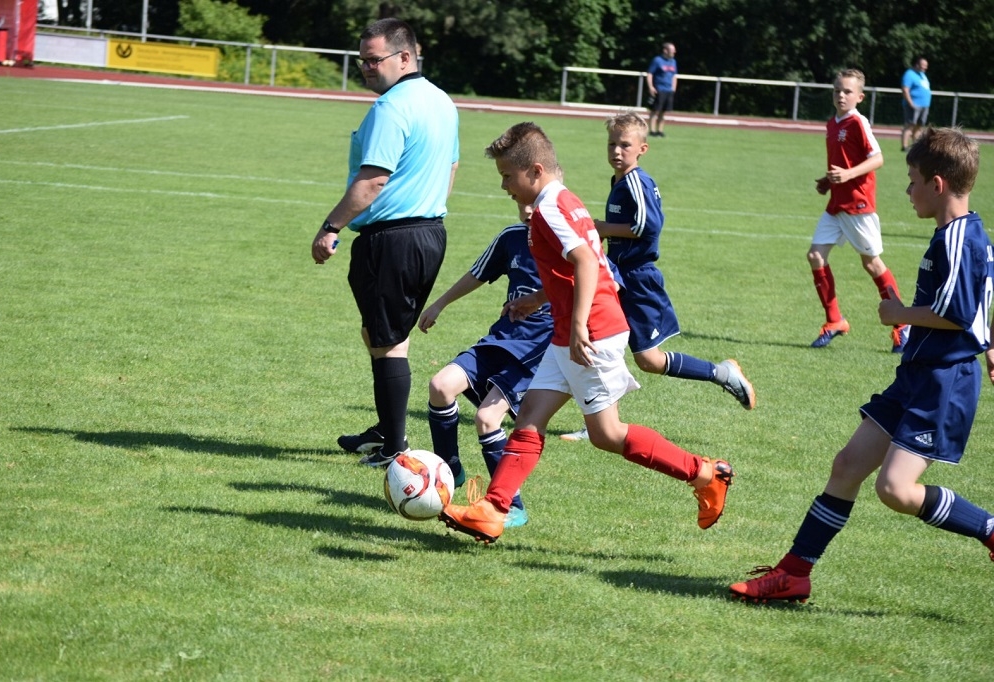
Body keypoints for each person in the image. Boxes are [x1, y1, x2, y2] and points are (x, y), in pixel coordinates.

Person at [730, 127, 994, 604]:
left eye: (913, 181)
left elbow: (958, 314)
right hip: (917, 374)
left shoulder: (959, 237)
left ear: (937, 185)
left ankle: (989, 529)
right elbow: (976, 303)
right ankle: (794, 573)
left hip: (944, 382)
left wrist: (898, 314)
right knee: (847, 465)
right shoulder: (960, 233)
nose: (907, 190)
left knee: (895, 489)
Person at [438, 122, 734, 544]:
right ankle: (494, 509)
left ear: (535, 170)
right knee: (530, 416)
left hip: (590, 331)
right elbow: (574, 266)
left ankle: (705, 473)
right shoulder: (566, 200)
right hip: (572, 329)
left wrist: (578, 327)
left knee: (607, 435)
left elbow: (586, 262)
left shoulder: (548, 210)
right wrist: (538, 299)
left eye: (507, 176)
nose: (504, 186)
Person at [312, 18, 459, 468]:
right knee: (381, 333)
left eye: (374, 59)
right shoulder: (442, 101)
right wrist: (426, 206)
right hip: (429, 233)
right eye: (362, 60)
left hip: (392, 239)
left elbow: (373, 180)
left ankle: (395, 446)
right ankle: (386, 425)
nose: (366, 67)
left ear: (405, 57)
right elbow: (451, 167)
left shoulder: (391, 107)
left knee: (389, 342)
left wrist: (331, 226)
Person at [558, 112, 754, 443]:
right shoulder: (619, 181)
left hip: (637, 278)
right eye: (611, 144)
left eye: (625, 145)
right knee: (602, 344)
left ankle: (722, 373)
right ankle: (598, 424)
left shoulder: (637, 182)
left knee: (648, 359)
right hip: (616, 275)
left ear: (642, 149)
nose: (616, 151)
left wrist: (602, 228)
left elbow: (647, 226)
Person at [418, 202, 554, 529]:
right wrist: (439, 304)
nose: (527, 209)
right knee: (440, 386)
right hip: (502, 337)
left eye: (535, 202)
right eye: (521, 201)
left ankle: (512, 506)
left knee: (486, 418)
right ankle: (450, 469)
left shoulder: (568, 242)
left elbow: (598, 284)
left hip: (537, 349)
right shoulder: (511, 237)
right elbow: (477, 274)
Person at [807, 68, 908, 352]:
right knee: (815, 256)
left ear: (860, 97)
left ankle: (903, 324)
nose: (841, 95)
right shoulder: (832, 123)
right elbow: (842, 162)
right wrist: (828, 181)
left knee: (872, 264)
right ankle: (834, 321)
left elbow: (878, 158)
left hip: (858, 203)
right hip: (836, 204)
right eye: (837, 90)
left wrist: (847, 175)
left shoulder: (858, 122)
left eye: (847, 91)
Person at [645, 42, 678, 137]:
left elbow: (674, 76)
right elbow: (650, 74)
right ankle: (652, 130)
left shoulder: (673, 61)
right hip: (659, 89)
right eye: (672, 50)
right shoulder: (657, 60)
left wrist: (673, 88)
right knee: (655, 110)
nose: (674, 52)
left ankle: (660, 130)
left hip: (669, 90)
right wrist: (651, 87)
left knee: (663, 111)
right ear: (665, 50)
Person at [901, 57, 931, 152]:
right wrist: (910, 103)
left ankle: (916, 146)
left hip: (924, 105)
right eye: (923, 65)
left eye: (926, 66)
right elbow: (905, 90)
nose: (925, 68)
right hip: (913, 105)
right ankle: (905, 146)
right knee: (910, 125)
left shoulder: (922, 75)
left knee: (919, 126)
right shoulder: (909, 74)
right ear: (917, 65)